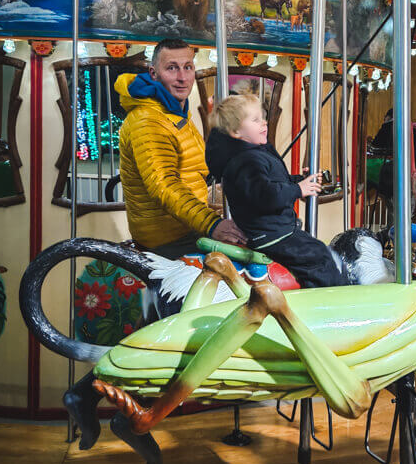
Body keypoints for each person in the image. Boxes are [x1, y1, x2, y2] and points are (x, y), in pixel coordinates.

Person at [115, 39, 246, 257]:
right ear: (154, 73)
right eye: (172, 68)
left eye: (188, 67)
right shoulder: (148, 120)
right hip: (167, 237)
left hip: (186, 225)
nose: (182, 78)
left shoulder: (174, 112)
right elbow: (165, 186)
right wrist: (211, 223)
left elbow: (195, 169)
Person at [205, 93, 348, 288]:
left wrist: (301, 181)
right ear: (235, 131)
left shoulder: (253, 155)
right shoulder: (246, 161)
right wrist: (298, 189)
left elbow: (276, 182)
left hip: (274, 229)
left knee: (316, 248)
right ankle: (328, 296)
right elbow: (266, 195)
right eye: (255, 120)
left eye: (262, 117)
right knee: (318, 257)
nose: (264, 122)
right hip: (271, 234)